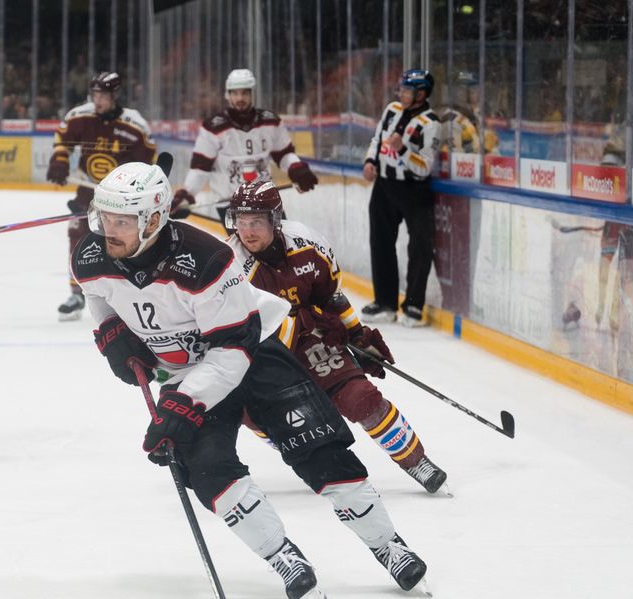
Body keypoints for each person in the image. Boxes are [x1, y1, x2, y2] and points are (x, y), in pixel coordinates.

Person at [74, 162, 429, 598]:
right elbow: (98, 295)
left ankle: (387, 545)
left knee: (319, 448)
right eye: (104, 218)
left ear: (153, 220)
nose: (107, 230)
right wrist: (110, 333)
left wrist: (182, 403)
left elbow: (231, 353)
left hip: (253, 354)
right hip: (189, 373)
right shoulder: (90, 255)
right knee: (204, 469)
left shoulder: (204, 261)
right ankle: (282, 554)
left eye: (121, 221)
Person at [224, 179, 448, 494]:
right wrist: (303, 318)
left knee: (360, 398)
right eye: (241, 222)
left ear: (275, 220)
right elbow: (250, 330)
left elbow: (332, 297)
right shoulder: (230, 266)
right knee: (257, 416)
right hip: (262, 352)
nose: (246, 231)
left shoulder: (308, 244)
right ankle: (312, 453)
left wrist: (357, 335)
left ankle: (416, 461)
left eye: (257, 222)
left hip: (312, 339)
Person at [46, 71, 155, 321]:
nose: (98, 100)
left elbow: (147, 161)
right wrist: (60, 160)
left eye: (103, 95)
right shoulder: (80, 115)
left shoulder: (134, 123)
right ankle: (76, 293)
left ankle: (129, 295)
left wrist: (135, 188)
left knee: (123, 242)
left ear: (115, 95)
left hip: (121, 196)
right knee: (77, 235)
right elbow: (62, 139)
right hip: (87, 192)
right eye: (95, 94)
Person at [172, 68, 319, 217]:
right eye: (235, 93)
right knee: (251, 240)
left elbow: (284, 154)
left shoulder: (270, 121)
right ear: (227, 95)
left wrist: (296, 168)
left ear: (252, 94)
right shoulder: (213, 127)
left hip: (265, 199)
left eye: (244, 93)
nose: (239, 98)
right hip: (231, 203)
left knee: (282, 238)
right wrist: (187, 193)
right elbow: (200, 167)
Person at [361, 69, 441, 327]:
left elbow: (425, 167)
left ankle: (414, 305)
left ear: (421, 94)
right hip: (384, 187)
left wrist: (403, 150)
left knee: (420, 246)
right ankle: (385, 302)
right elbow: (377, 139)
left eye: (407, 90)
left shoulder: (431, 124)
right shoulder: (391, 109)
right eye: (401, 89)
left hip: (414, 191)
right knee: (381, 243)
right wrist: (371, 161)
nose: (401, 94)